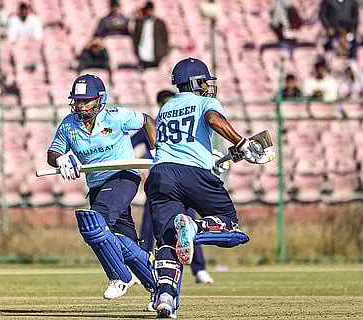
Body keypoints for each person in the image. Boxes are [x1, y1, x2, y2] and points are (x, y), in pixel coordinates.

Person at [147, 57, 274, 318]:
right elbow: (214, 120)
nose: (208, 86)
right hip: (192, 173)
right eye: (204, 81)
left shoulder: (166, 108)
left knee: (168, 240)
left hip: (161, 174)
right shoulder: (206, 102)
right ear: (194, 82)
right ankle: (194, 227)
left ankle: (166, 299)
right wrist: (241, 143)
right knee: (229, 223)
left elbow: (180, 143)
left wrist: (211, 156)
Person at [47, 74, 157, 301]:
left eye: (86, 100)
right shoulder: (68, 125)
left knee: (94, 223)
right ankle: (161, 289)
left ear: (100, 100)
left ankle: (119, 277)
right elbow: (53, 152)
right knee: (122, 241)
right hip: (97, 184)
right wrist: (60, 159)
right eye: (78, 100)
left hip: (123, 175)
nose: (81, 105)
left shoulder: (116, 117)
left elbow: (146, 120)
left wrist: (157, 151)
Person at [132, 89, 215, 288]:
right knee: (148, 228)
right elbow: (129, 144)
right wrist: (140, 165)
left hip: (183, 181)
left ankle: (199, 268)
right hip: (159, 182)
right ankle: (142, 267)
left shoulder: (187, 125)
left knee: (188, 225)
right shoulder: (156, 125)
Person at [131, 1, 169, 69]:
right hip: (143, 55)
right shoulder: (139, 22)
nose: (149, 11)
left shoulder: (159, 23)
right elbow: (134, 36)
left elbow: (165, 38)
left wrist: (163, 51)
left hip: (156, 54)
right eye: (147, 10)